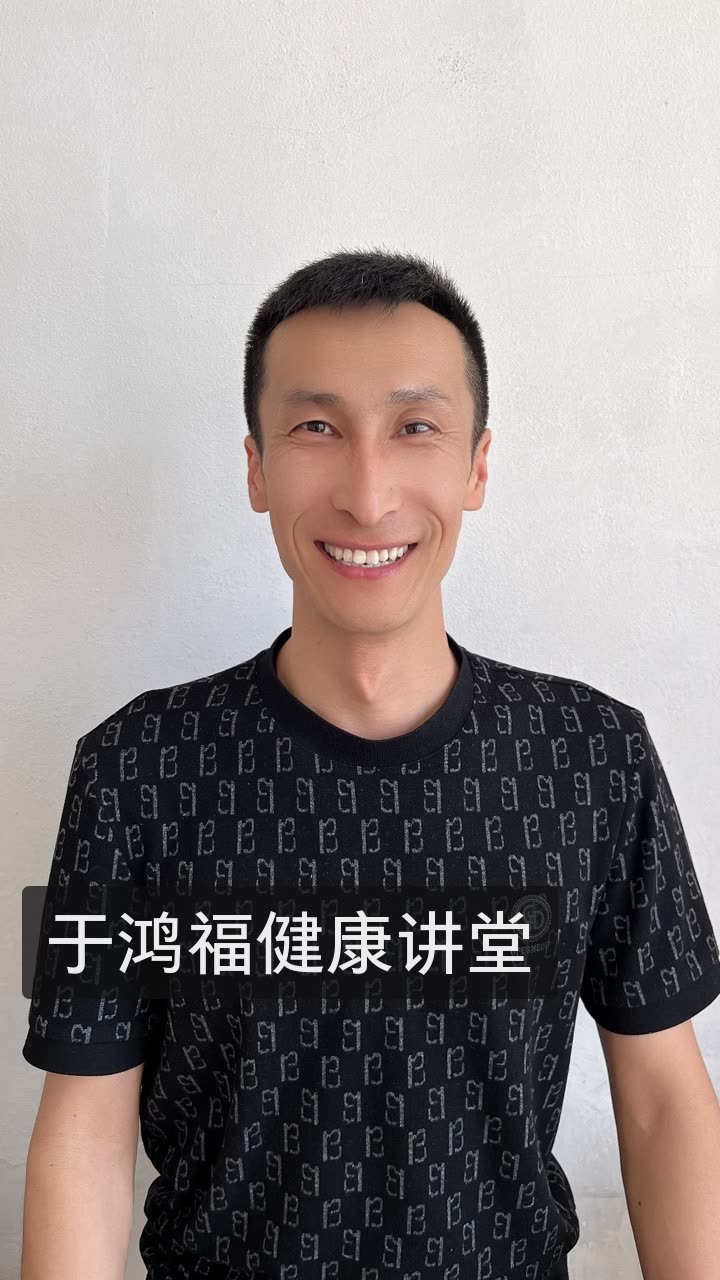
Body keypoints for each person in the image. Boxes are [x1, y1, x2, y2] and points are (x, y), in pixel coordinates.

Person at [21, 248, 720, 1280]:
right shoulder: (132, 768)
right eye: (316, 428)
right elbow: (85, 1126)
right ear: (256, 468)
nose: (367, 490)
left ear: (477, 465)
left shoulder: (593, 755)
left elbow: (663, 1101)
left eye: (415, 427)